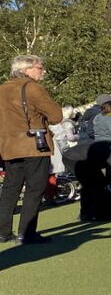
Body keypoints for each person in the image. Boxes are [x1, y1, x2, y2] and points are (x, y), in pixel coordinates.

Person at [0, 54, 63, 244]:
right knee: (35, 189)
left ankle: (3, 232)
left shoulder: (2, 89)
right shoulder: (33, 88)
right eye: (39, 68)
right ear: (26, 69)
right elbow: (56, 116)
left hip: (9, 145)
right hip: (34, 145)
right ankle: (26, 233)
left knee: (10, 188)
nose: (42, 71)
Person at [76, 97, 111, 221]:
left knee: (91, 185)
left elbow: (91, 133)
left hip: (95, 150)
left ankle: (90, 211)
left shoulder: (96, 119)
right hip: (110, 151)